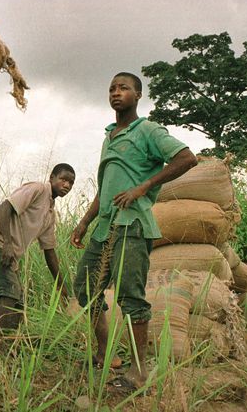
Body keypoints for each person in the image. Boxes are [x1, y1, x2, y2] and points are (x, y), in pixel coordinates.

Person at [70, 72, 197, 391]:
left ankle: (139, 372)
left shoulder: (148, 131)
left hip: (133, 227)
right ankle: (104, 352)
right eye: (112, 88)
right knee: (85, 289)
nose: (116, 92)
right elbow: (105, 188)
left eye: (124, 88)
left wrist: (144, 187)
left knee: (131, 298)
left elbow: (187, 158)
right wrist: (85, 221)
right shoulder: (109, 137)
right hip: (104, 229)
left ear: (138, 95)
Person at [0, 164, 75, 331]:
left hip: (7, 248)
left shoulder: (50, 214)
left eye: (71, 183)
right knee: (10, 291)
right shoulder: (38, 189)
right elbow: (5, 207)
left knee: (19, 300)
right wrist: (7, 243)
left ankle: (12, 343)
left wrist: (60, 285)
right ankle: (1, 346)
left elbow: (49, 251)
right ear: (51, 178)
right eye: (63, 179)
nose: (67, 185)